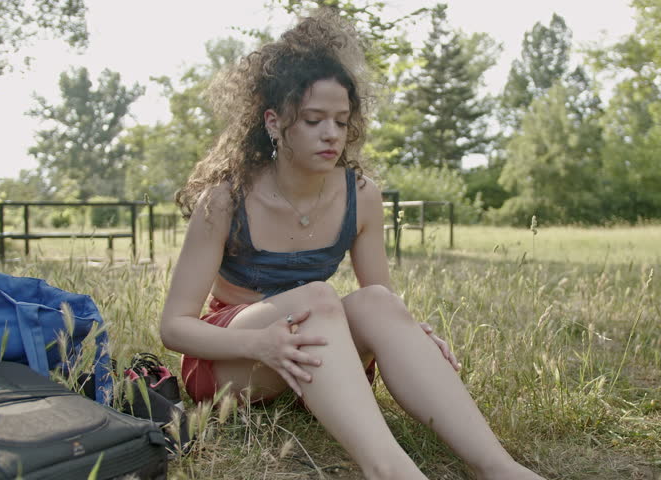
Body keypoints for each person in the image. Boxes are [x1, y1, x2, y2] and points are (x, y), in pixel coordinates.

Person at [160, 10, 543, 480]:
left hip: (317, 356)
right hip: (237, 360)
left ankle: (498, 467)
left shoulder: (361, 196)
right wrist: (258, 342)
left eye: (341, 121)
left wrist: (414, 333)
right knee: (319, 297)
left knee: (378, 304)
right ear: (275, 123)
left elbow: (377, 301)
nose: (331, 134)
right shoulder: (226, 199)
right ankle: (390, 470)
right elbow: (174, 327)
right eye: (314, 120)